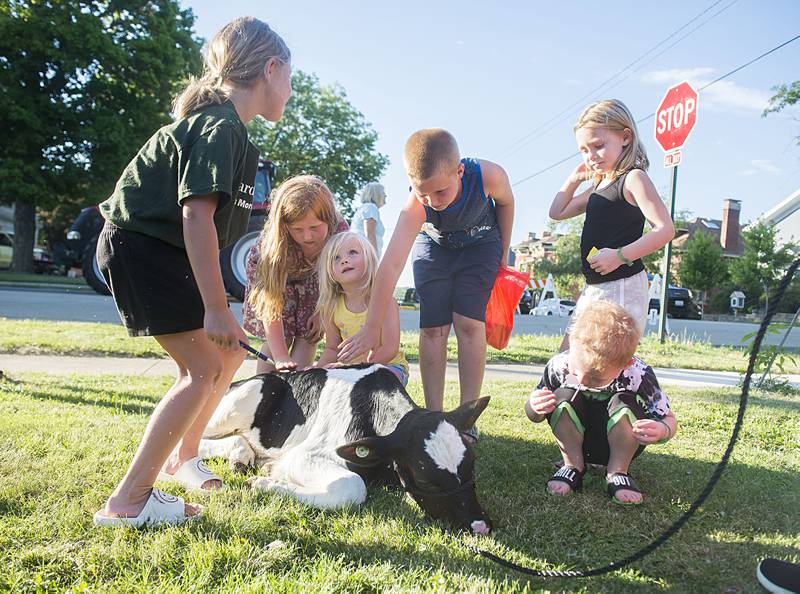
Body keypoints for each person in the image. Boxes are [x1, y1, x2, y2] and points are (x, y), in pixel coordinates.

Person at [92, 17, 292, 527]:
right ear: (270, 69)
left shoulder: (234, 133)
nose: (290, 90)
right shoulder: (220, 126)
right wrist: (213, 307)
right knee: (201, 371)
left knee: (222, 358)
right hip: (141, 248)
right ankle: (128, 502)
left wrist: (220, 309)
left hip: (160, 251)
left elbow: (203, 227)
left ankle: (184, 459)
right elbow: (194, 214)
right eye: (289, 76)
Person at [338, 129, 515, 439]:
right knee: (433, 328)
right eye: (424, 193)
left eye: (441, 192)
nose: (433, 202)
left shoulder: (489, 175)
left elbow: (507, 203)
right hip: (434, 247)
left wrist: (502, 254)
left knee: (468, 323)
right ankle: (434, 415)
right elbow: (390, 266)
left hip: (480, 245)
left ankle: (467, 415)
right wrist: (370, 328)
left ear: (459, 171)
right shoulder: (416, 207)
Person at [549, 99, 675, 350]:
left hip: (622, 286)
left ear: (625, 137)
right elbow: (557, 212)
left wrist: (619, 255)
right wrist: (574, 178)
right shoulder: (598, 185)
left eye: (598, 146)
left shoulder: (633, 179)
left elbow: (665, 229)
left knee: (600, 363)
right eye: (583, 150)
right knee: (567, 360)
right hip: (595, 286)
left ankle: (638, 390)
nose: (590, 156)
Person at [525, 300, 677, 504]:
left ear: (627, 363)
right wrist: (534, 407)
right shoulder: (559, 365)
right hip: (577, 438)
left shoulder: (638, 373)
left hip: (622, 442)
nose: (582, 382)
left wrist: (662, 430)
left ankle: (618, 471)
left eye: (596, 379)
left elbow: (668, 418)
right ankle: (572, 466)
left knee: (624, 400)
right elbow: (534, 414)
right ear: (572, 343)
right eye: (577, 372)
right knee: (564, 395)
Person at [243, 175, 348, 373]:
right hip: (275, 284)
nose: (307, 236)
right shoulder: (273, 247)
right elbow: (271, 303)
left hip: (315, 280)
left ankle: (297, 388)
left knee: (310, 334)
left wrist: (322, 313)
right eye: (297, 229)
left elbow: (338, 281)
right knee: (282, 337)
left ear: (329, 218)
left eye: (315, 227)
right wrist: (281, 356)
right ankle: (264, 390)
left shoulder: (339, 232)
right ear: (285, 226)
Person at [315, 232, 409, 385]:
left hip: (389, 367)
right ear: (329, 272)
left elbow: (390, 348)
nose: (344, 260)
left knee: (378, 383)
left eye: (352, 252)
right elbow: (332, 349)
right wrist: (317, 371)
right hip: (351, 371)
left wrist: (355, 370)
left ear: (369, 259)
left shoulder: (385, 301)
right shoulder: (331, 307)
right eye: (336, 258)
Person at [350, 182, 387, 257]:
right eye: (383, 193)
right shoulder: (371, 207)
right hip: (365, 254)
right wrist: (373, 257)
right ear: (376, 194)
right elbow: (369, 233)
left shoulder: (366, 208)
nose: (385, 195)